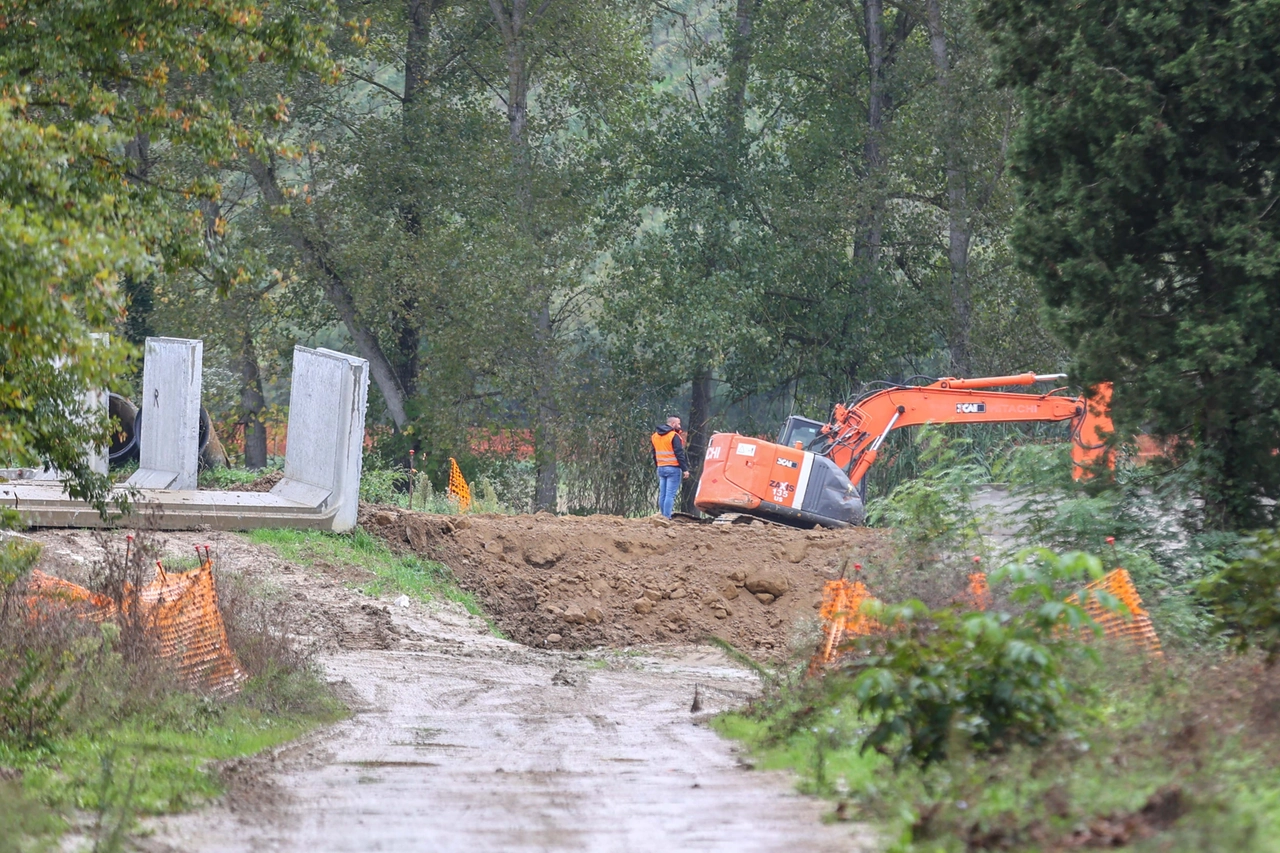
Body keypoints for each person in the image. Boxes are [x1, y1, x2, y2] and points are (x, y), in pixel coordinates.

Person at [651, 416, 690, 518]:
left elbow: (654, 453)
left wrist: (658, 465)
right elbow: (679, 453)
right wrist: (685, 469)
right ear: (673, 424)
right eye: (678, 424)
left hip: (661, 468)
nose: (680, 426)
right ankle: (667, 517)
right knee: (670, 495)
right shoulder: (673, 436)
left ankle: (662, 516)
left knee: (662, 494)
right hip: (673, 468)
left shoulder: (655, 436)